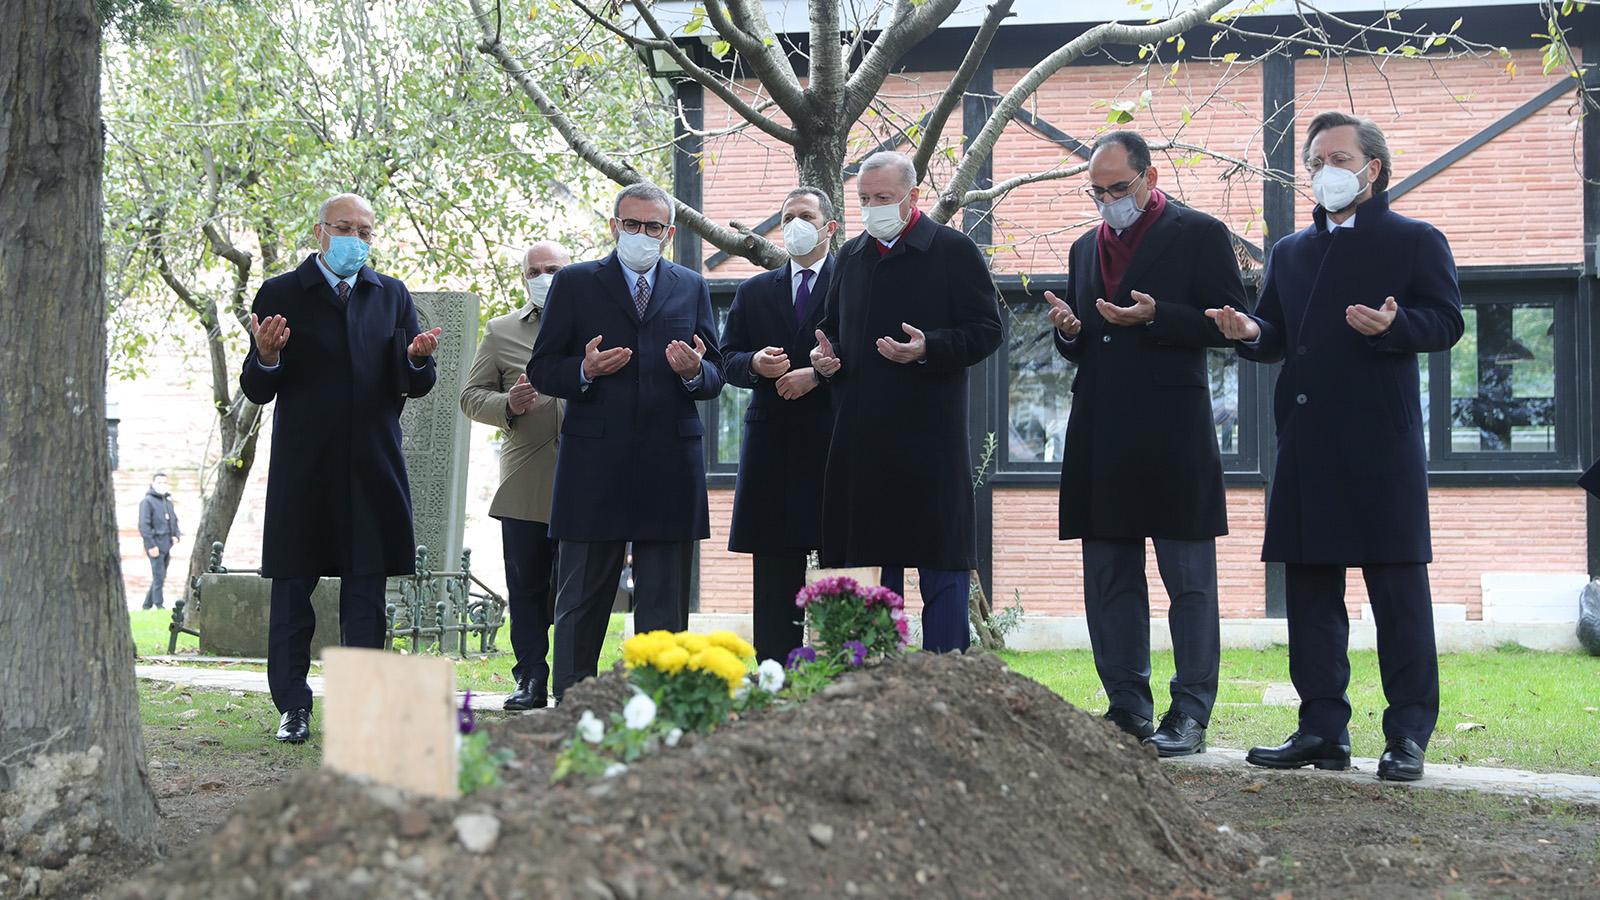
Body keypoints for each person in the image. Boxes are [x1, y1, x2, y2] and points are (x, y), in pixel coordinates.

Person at [1209, 112, 1463, 781]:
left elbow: (1447, 322)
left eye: (1340, 157)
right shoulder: (1291, 251)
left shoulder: (1415, 240)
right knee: (1311, 595)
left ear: (1372, 170)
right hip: (1309, 442)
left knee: (1398, 597)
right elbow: (1277, 334)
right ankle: (1322, 728)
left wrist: (1394, 324)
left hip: (1383, 443)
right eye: (1316, 159)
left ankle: (1408, 734)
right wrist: (1246, 330)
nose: (1326, 171)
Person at [1045, 130, 1246, 756]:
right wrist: (1071, 332)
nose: (1108, 201)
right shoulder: (1084, 249)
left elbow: (1231, 323)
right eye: (1097, 192)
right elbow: (1085, 341)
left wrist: (1158, 316)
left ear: (1150, 178)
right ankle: (1127, 706)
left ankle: (1190, 712)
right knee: (1109, 577)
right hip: (1101, 432)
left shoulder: (1200, 234)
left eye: (1118, 189)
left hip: (1172, 432)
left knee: (1188, 579)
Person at [240, 192, 441, 744]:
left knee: (365, 597)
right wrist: (268, 355)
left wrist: (418, 360)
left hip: (372, 464)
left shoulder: (391, 294)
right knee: (291, 592)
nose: (356, 239)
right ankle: (292, 707)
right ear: (320, 231)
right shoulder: (281, 293)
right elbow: (256, 388)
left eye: (366, 231)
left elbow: (416, 382)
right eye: (345, 228)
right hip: (305, 467)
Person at [528, 182, 724, 701]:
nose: (641, 234)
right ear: (614, 226)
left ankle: (660, 706)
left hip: (670, 462)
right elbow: (543, 368)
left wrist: (692, 372)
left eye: (652, 227)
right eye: (631, 225)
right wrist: (584, 370)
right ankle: (573, 705)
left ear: (669, 232)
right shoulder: (573, 283)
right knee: (582, 600)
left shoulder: (691, 285)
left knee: (664, 601)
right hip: (595, 462)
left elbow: (716, 373)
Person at [810, 151, 1002, 653]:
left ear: (913, 197)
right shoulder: (850, 257)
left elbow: (987, 331)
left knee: (941, 563)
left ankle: (946, 675)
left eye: (884, 199)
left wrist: (929, 347)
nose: (873, 208)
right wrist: (824, 358)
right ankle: (875, 682)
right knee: (873, 569)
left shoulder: (954, 251)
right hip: (862, 439)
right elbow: (831, 330)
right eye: (865, 199)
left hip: (930, 440)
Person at [720, 187, 837, 663]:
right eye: (788, 217)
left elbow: (871, 356)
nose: (795, 225)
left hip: (835, 444)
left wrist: (818, 377)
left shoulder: (853, 282)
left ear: (829, 226)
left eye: (805, 216)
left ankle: (841, 675)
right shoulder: (753, 291)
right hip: (772, 449)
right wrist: (754, 365)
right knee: (773, 578)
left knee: (841, 573)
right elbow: (726, 360)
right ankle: (774, 674)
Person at [460, 241, 570, 710]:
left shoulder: (597, 324)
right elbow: (469, 396)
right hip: (526, 477)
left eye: (553, 269)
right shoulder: (502, 331)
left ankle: (574, 679)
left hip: (589, 475)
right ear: (523, 277)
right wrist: (509, 404)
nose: (543, 277)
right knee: (525, 586)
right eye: (534, 270)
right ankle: (529, 678)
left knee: (577, 587)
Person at [137, 472, 182, 610]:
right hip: (155, 545)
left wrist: (176, 535)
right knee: (159, 576)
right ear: (153, 484)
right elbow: (144, 525)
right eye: (159, 482)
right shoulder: (147, 502)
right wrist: (151, 545)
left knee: (160, 576)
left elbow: (174, 520)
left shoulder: (168, 502)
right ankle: (159, 604)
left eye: (164, 482)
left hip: (167, 545)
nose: (162, 485)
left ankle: (146, 605)